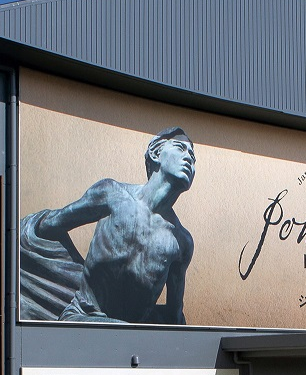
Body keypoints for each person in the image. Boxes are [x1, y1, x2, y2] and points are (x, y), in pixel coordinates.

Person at [20, 127, 195, 324]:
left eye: (193, 157)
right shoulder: (112, 194)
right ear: (156, 153)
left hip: (131, 333)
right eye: (180, 148)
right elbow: (48, 226)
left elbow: (174, 314)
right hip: (82, 319)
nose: (189, 158)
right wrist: (75, 275)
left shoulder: (182, 242)